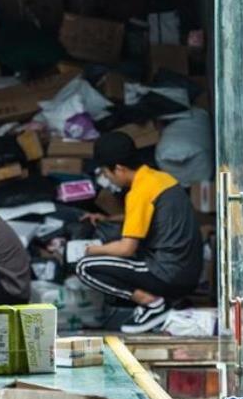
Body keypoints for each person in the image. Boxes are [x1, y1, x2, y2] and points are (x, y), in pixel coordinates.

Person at [76, 131, 203, 334]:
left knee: (85, 266)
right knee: (115, 241)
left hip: (168, 273)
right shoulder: (160, 179)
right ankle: (167, 301)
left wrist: (92, 250)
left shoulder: (139, 192)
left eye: (105, 173)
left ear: (118, 168)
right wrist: (108, 219)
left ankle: (151, 303)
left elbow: (126, 248)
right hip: (187, 272)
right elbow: (148, 219)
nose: (106, 178)